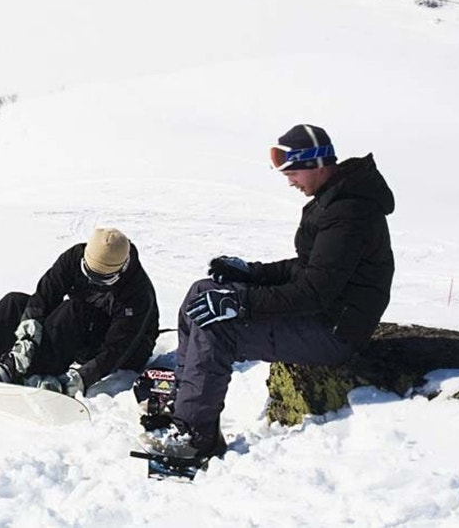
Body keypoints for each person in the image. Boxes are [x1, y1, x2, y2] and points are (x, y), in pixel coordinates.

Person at [152, 124, 395, 461]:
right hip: (325, 315)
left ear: (317, 163)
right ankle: (184, 396)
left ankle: (195, 438)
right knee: (202, 292)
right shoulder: (334, 199)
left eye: (293, 172)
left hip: (335, 331)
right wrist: (253, 273)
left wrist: (241, 302)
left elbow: (313, 291)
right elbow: (309, 267)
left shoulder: (348, 212)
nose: (290, 181)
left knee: (218, 327)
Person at [0, 227, 159, 397]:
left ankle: (20, 372)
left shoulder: (138, 294)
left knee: (73, 309)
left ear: (121, 269)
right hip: (79, 327)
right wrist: (27, 334)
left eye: (102, 278)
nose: (94, 281)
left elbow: (117, 349)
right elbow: (45, 295)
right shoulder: (74, 257)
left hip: (121, 349)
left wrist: (78, 379)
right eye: (89, 273)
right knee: (15, 303)